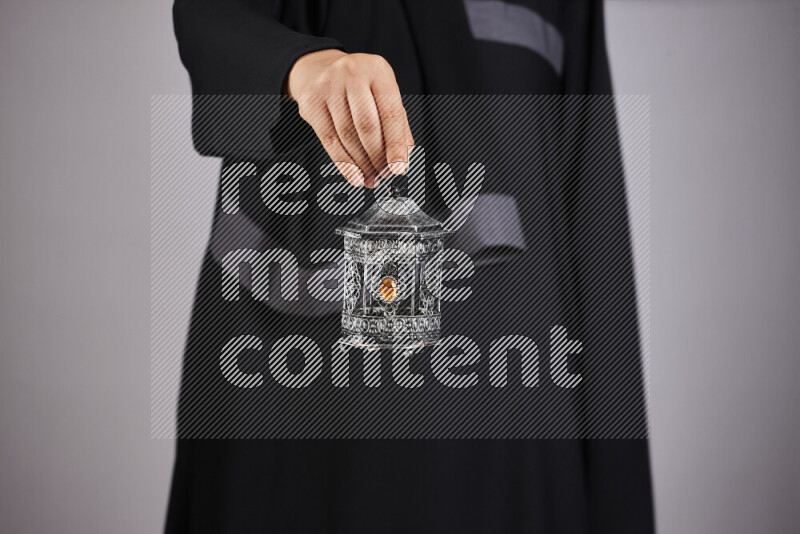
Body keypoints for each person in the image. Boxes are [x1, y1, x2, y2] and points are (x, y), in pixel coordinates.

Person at [166, 0, 654, 532]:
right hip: (290, 361)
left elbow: (590, 203)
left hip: (509, 386)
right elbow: (210, 17)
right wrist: (302, 65)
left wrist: (612, 489)